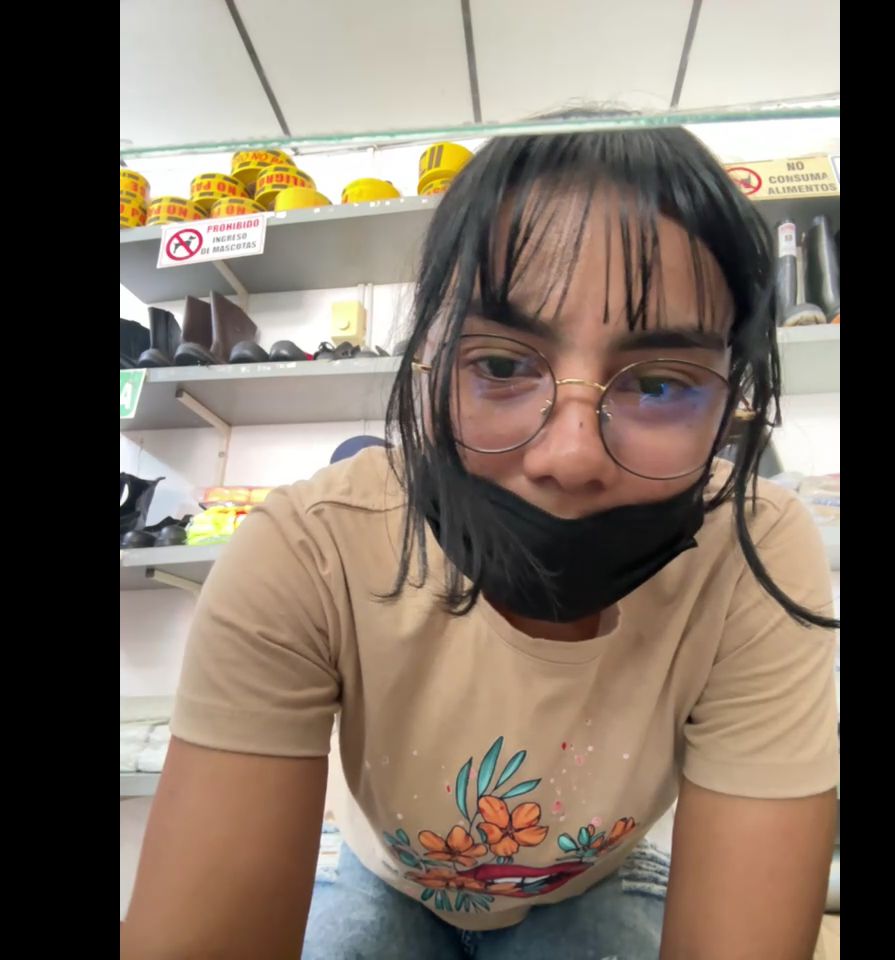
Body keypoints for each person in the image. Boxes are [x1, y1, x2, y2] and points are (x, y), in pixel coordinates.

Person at [121, 118, 839, 960]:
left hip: (591, 881)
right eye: (500, 367)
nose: (570, 457)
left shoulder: (753, 556)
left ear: (732, 399)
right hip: (385, 873)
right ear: (426, 364)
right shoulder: (312, 549)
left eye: (656, 383)